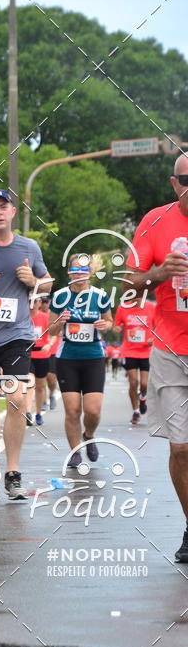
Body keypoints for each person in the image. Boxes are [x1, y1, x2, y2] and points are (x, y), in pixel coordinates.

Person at [125, 155, 188, 563]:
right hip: (171, 350)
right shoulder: (154, 221)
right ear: (174, 183)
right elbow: (129, 283)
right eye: (187, 179)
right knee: (181, 449)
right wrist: (159, 273)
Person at [0, 190, 52, 500]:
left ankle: (13, 471)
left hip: (17, 335)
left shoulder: (28, 247)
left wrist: (33, 282)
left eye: (3, 207)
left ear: (13, 212)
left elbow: (48, 282)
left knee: (18, 399)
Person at [49, 254, 113, 470]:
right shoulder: (60, 296)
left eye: (83, 271)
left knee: (93, 410)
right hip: (67, 358)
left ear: (90, 273)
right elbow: (51, 330)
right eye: (75, 270)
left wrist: (105, 325)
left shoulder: (100, 296)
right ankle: (75, 452)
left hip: (93, 357)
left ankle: (89, 435)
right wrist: (60, 322)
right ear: (69, 273)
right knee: (73, 410)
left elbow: (109, 321)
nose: (79, 275)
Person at [113, 298, 156, 424]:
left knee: (144, 384)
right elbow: (116, 326)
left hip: (146, 351)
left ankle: (143, 397)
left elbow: (158, 326)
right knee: (133, 382)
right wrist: (117, 329)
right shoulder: (123, 308)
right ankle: (135, 411)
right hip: (129, 351)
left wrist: (153, 338)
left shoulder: (151, 307)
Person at [28, 295, 51, 425]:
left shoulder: (45, 317)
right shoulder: (23, 317)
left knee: (40, 386)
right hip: (27, 354)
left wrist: (49, 344)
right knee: (29, 382)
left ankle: (38, 413)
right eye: (29, 301)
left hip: (42, 355)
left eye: (34, 301)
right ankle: (27, 412)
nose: (31, 304)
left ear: (39, 303)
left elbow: (53, 334)